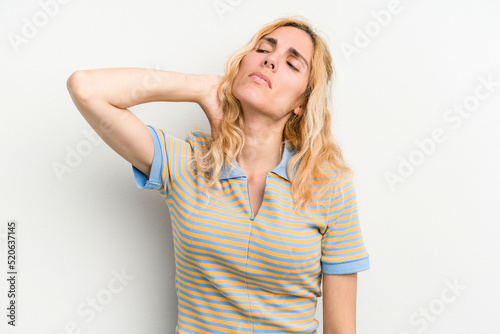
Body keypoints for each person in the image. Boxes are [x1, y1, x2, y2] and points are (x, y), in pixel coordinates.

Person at [67, 17, 370, 334]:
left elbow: (340, 330)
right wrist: (201, 87)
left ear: (301, 103)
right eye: (264, 49)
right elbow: (85, 88)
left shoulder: (328, 185)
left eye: (292, 64)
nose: (269, 60)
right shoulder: (186, 163)